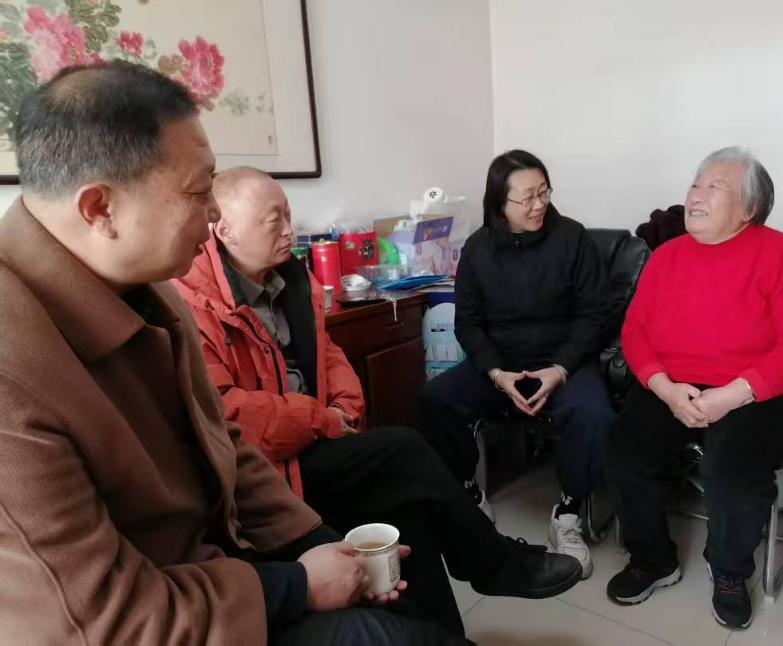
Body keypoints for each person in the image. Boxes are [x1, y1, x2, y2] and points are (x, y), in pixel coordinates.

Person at [0, 61, 468, 645]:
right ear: (100, 209)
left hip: (217, 570)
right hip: (155, 619)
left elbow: (223, 443)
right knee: (379, 635)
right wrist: (297, 585)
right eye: (200, 192)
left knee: (395, 551)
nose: (216, 214)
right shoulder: (14, 368)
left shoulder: (152, 294)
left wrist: (320, 547)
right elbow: (105, 620)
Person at [172, 166, 583, 638]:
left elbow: (328, 354)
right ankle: (493, 561)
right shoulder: (192, 304)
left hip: (314, 441)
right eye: (273, 221)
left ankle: (450, 633)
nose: (288, 230)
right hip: (267, 468)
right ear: (225, 230)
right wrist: (325, 419)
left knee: (405, 514)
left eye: (288, 215)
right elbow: (231, 414)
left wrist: (344, 408)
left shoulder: (292, 280)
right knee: (403, 450)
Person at [605, 147, 783, 629]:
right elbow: (635, 330)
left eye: (714, 187)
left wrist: (734, 393)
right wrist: (664, 388)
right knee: (625, 449)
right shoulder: (667, 256)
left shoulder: (781, 255)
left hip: (747, 389)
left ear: (749, 208)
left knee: (734, 471)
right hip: (672, 384)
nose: (696, 196)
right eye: (695, 184)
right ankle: (652, 559)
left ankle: (728, 571)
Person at [418, 149, 616, 579]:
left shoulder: (573, 238)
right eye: (527, 198)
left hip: (563, 363)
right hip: (500, 366)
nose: (539, 204)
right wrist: (496, 373)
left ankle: (568, 511)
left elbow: (596, 315)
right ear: (499, 201)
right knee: (436, 400)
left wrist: (560, 368)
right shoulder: (477, 248)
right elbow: (468, 323)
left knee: (594, 413)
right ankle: (469, 492)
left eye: (544, 192)